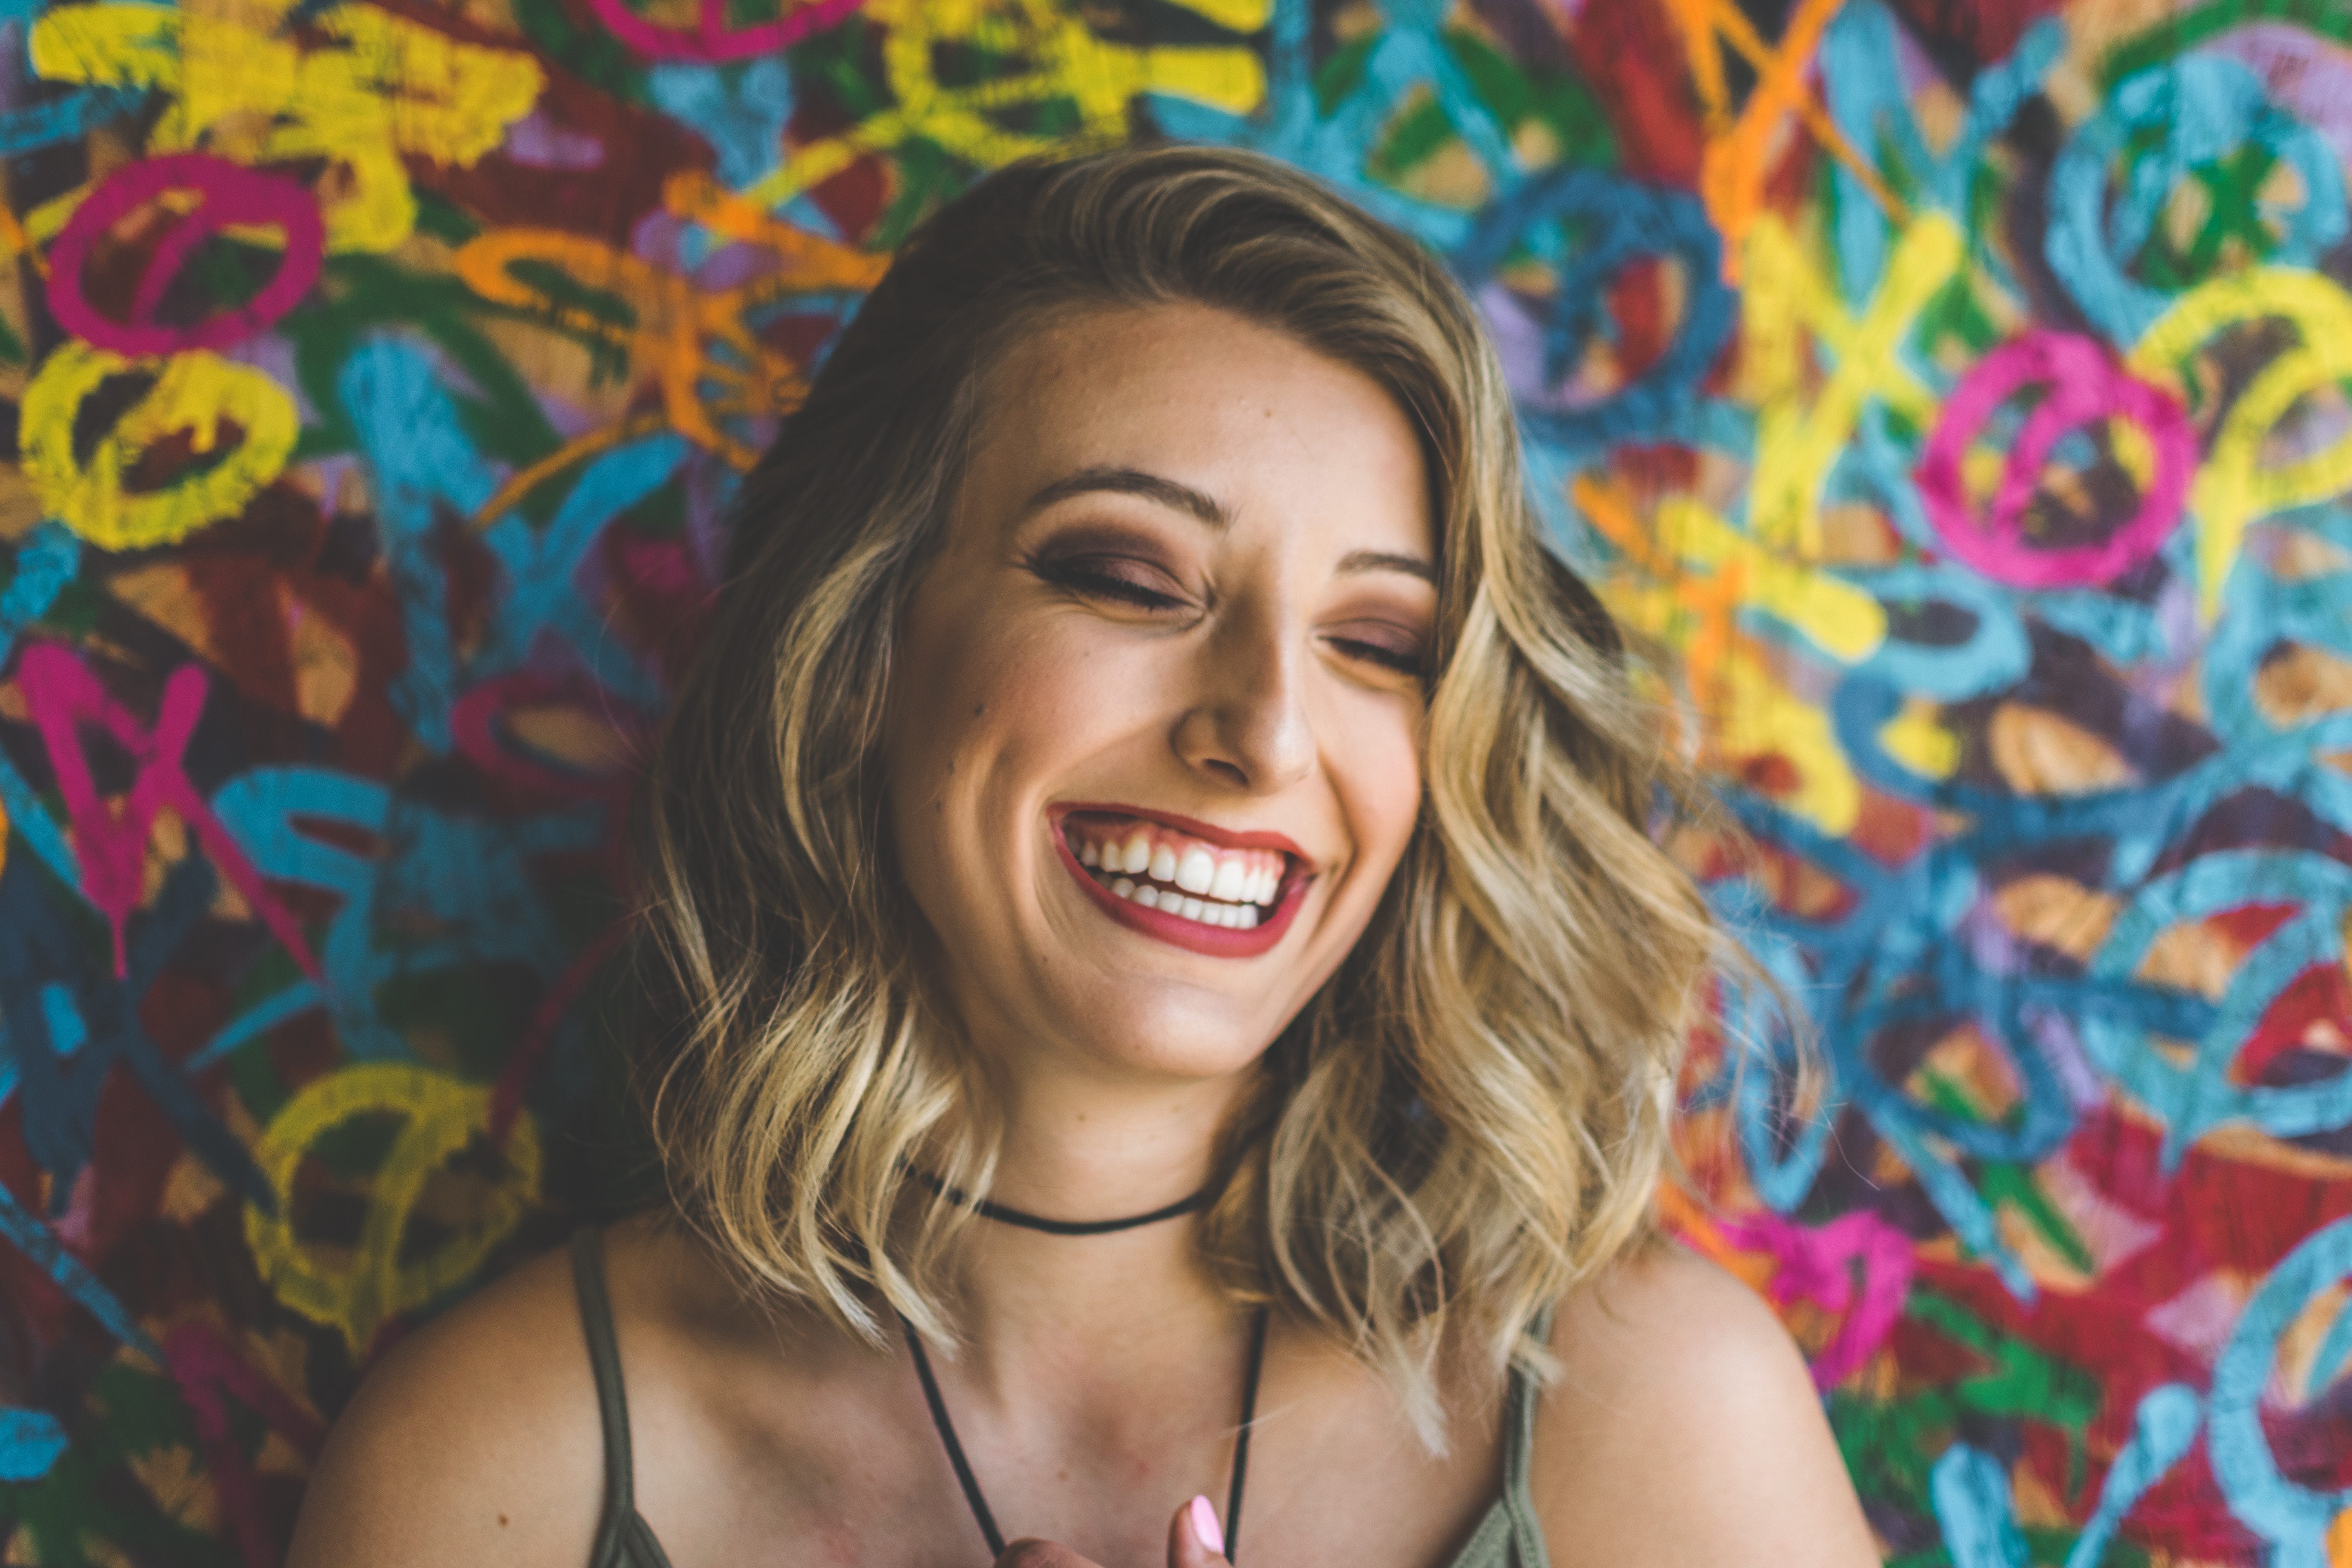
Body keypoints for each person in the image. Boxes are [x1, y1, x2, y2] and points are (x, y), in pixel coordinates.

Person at [288, 143, 1880, 1568]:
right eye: (1131, 576)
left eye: (1380, 640)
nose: (1266, 730)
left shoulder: (1654, 1409)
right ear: (858, 650)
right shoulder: (500, 1468)